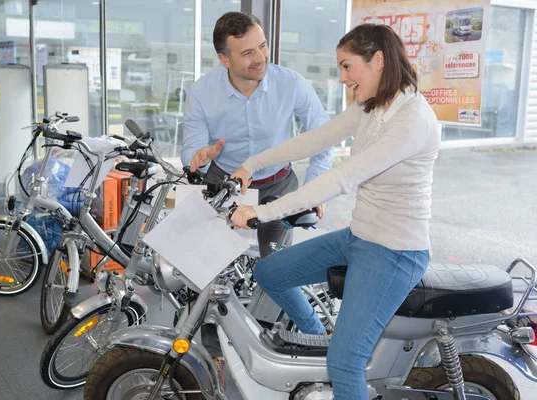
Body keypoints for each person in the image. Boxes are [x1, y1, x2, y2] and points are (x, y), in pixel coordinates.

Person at [230, 24, 441, 399]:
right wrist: (252, 163)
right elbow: (315, 139)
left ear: (377, 61)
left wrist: (263, 212)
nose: (342, 78)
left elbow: (343, 177)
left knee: (345, 362)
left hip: (395, 252)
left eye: (347, 67)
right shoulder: (372, 104)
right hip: (359, 236)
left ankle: (335, 351)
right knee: (269, 272)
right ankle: (316, 336)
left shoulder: (413, 120)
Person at [181, 11, 333, 258]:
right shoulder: (201, 92)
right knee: (214, 267)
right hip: (224, 186)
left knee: (274, 269)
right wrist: (198, 156)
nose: (261, 58)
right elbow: (191, 150)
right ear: (225, 59)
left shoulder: (291, 84)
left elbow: (324, 137)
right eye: (247, 53)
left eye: (262, 46)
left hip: (278, 189)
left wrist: (313, 189)